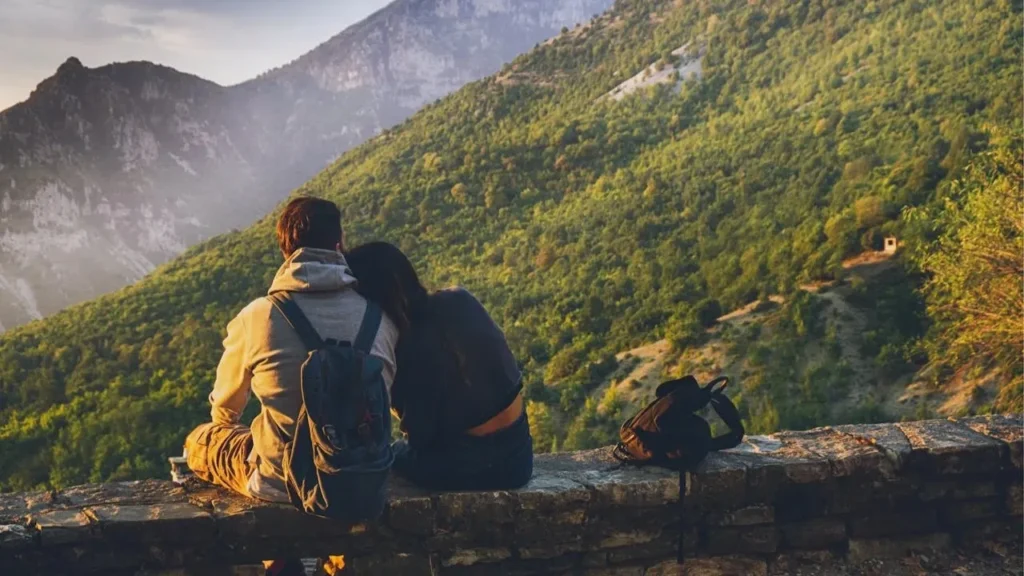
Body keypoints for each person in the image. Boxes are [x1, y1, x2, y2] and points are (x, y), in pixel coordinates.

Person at [182, 197, 399, 576]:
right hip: (359, 476)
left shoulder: (258, 315)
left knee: (200, 440)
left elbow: (226, 406)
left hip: (278, 481)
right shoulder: (379, 317)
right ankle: (332, 561)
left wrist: (231, 423)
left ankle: (279, 561)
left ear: (285, 250)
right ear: (339, 243)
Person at [345, 241, 533, 491]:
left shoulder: (408, 345)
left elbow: (421, 440)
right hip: (520, 455)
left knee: (391, 455)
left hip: (476, 468)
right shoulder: (459, 299)